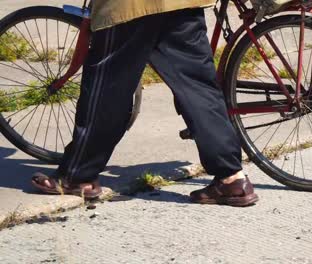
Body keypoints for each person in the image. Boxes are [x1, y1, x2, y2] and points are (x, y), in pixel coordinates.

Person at [31, 0, 259, 207]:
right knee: (198, 88)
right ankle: (232, 179)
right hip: (182, 4)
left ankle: (77, 176)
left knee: (107, 91)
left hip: (129, 8)